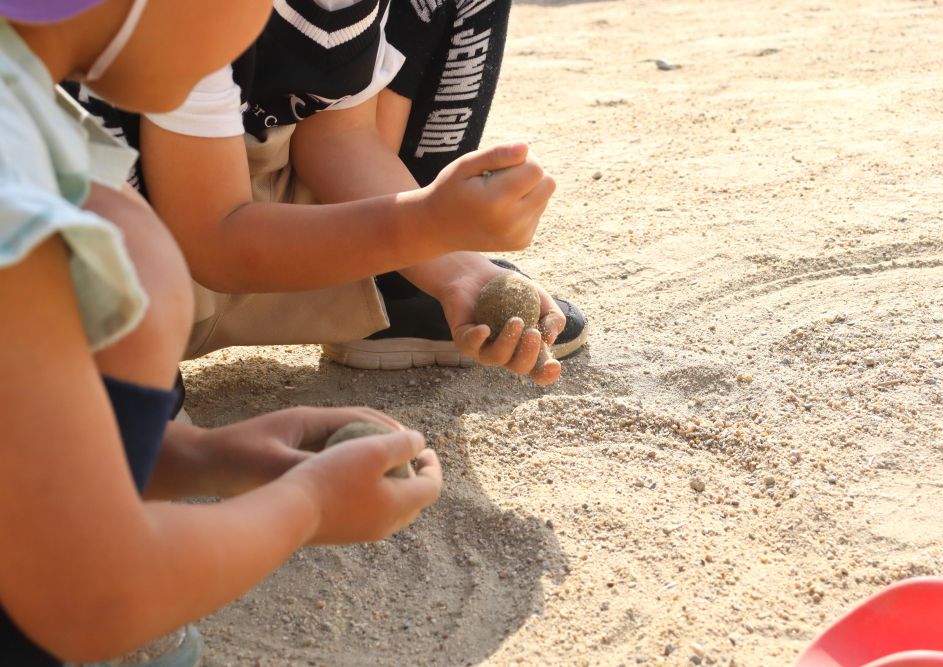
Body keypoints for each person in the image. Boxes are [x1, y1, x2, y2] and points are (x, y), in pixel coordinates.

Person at [0, 2, 442, 665]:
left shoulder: (26, 107)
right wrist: (309, 506)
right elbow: (91, 597)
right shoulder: (13, 176)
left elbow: (23, 430)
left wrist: (210, 455)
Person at [66, 0, 588, 390]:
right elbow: (214, 238)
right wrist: (428, 223)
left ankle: (396, 297)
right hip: (141, 269)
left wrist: (455, 268)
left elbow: (339, 136)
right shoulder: (199, 15)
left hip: (261, 234)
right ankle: (100, 370)